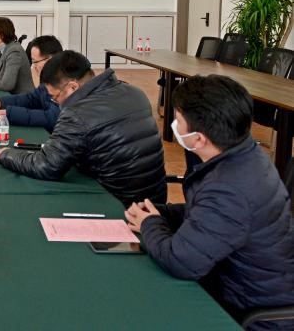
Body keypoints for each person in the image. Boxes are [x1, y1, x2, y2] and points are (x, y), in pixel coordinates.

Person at [125, 75, 294, 328]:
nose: (173, 124)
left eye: (178, 120)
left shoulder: (229, 189)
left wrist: (149, 224)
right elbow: (210, 216)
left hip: (250, 312)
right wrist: (162, 213)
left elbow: (180, 261)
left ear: (199, 138)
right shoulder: (243, 155)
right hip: (239, 285)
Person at [0, 50, 166, 206]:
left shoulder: (77, 113)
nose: (55, 102)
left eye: (55, 97)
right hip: (155, 201)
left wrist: (5, 154)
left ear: (73, 87)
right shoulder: (135, 92)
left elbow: (45, 166)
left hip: (117, 204)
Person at [0, 35, 62, 130]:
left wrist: (9, 113)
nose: (33, 66)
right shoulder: (48, 79)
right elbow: (31, 99)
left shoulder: (65, 83)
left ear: (50, 59)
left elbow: (51, 117)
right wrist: (0, 103)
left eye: (36, 62)